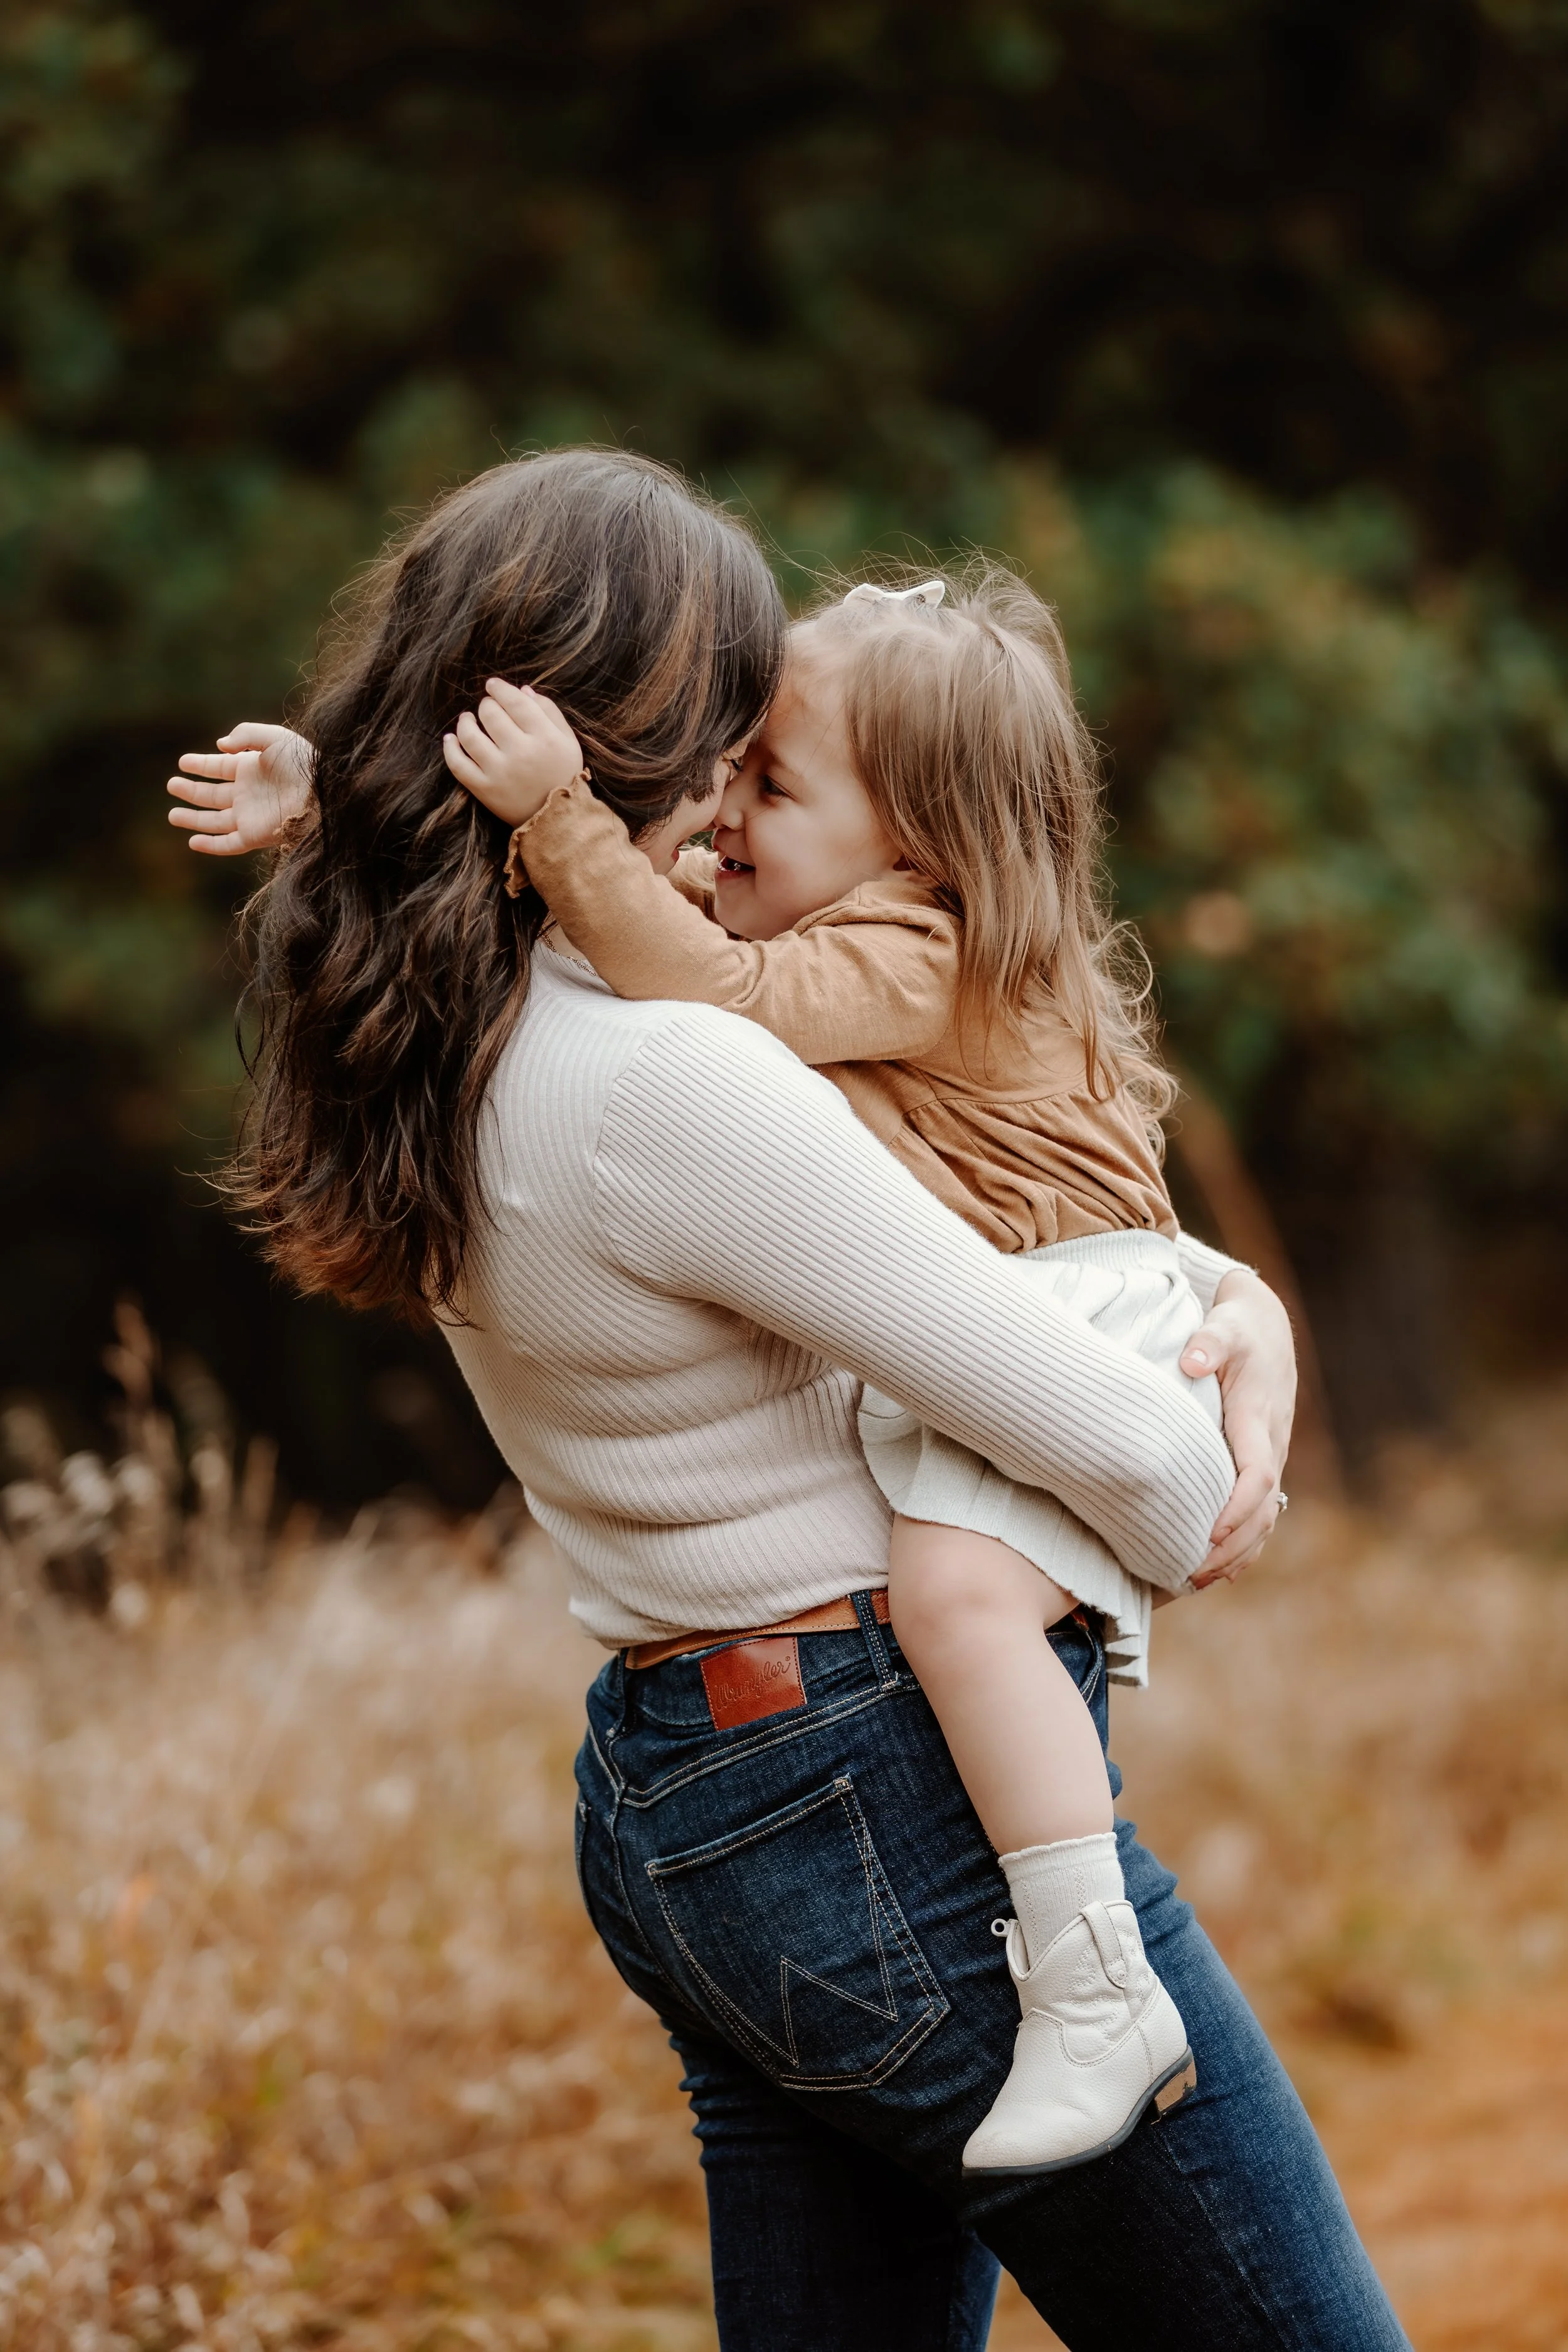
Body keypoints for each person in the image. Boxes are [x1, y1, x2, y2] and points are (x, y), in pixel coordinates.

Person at [167, 447, 1409, 2350]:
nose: (738, 793)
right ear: (631, 750)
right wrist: (1211, 1418)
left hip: (688, 1790)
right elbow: (1130, 1461)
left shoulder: (458, 1037)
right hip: (873, 1793)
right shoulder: (674, 1080)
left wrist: (329, 806)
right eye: (730, 741)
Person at [438, 565, 1222, 2176]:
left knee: (950, 1599)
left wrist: (561, 816)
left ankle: (1091, 1982)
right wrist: (342, 811)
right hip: (1067, 1311)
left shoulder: (902, 950)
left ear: (916, 844)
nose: (721, 809)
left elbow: (708, 988)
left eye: (769, 781)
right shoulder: (864, 939)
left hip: (1092, 1308)